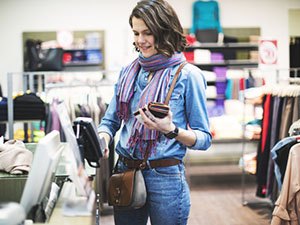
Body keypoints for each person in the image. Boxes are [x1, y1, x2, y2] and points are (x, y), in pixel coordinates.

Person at [98, 0, 212, 224]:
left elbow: (204, 139)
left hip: (166, 177)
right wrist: (102, 138)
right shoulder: (128, 72)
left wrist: (170, 130)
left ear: (164, 31)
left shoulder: (188, 75)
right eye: (136, 33)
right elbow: (110, 122)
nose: (140, 40)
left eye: (147, 33)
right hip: (126, 171)